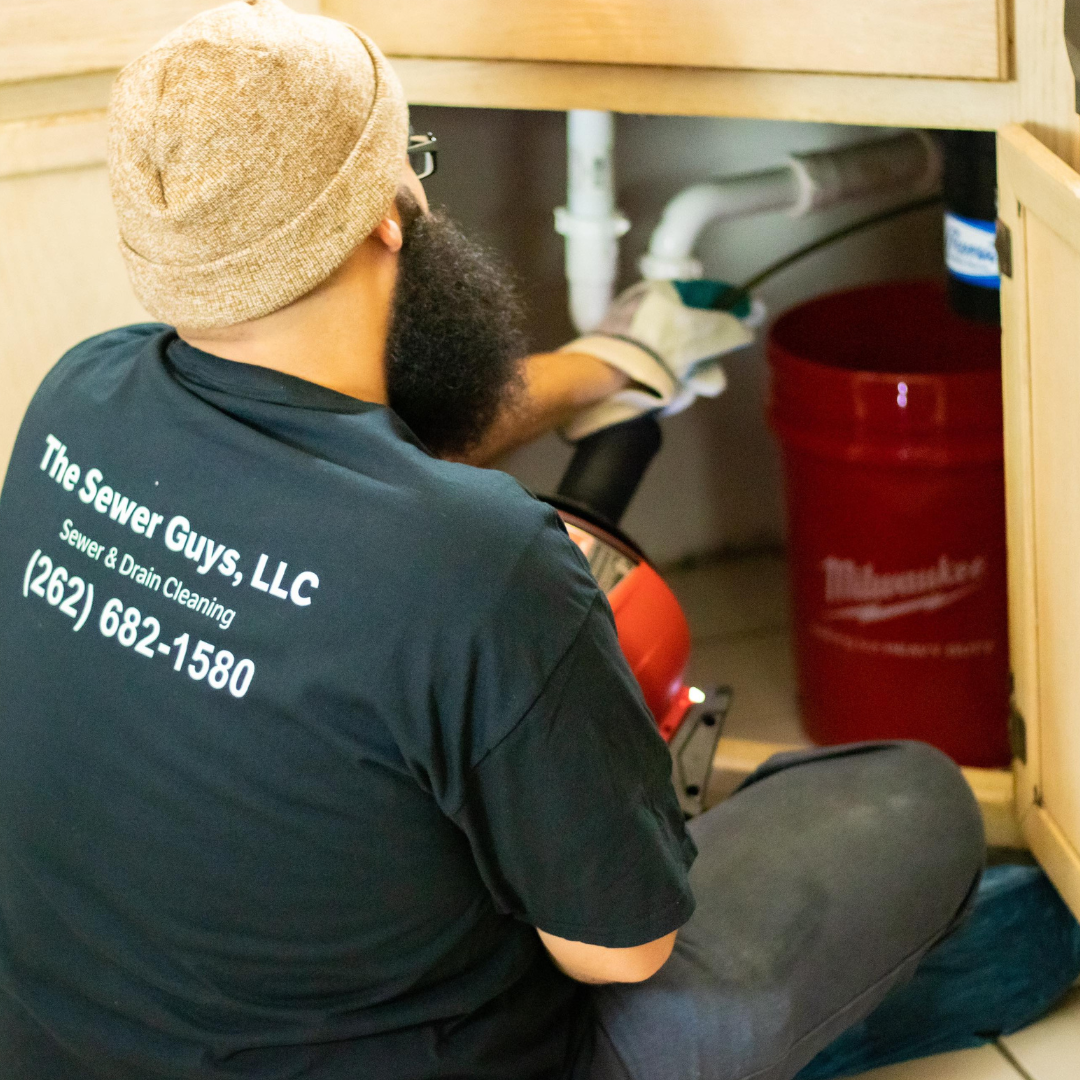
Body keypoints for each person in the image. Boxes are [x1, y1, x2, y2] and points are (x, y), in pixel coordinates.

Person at [1, 4, 1075, 1080]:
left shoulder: (79, 396)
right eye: (413, 161)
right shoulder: (482, 561)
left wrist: (611, 363)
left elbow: (333, 442)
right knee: (911, 800)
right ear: (383, 215)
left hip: (63, 1046)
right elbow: (619, 952)